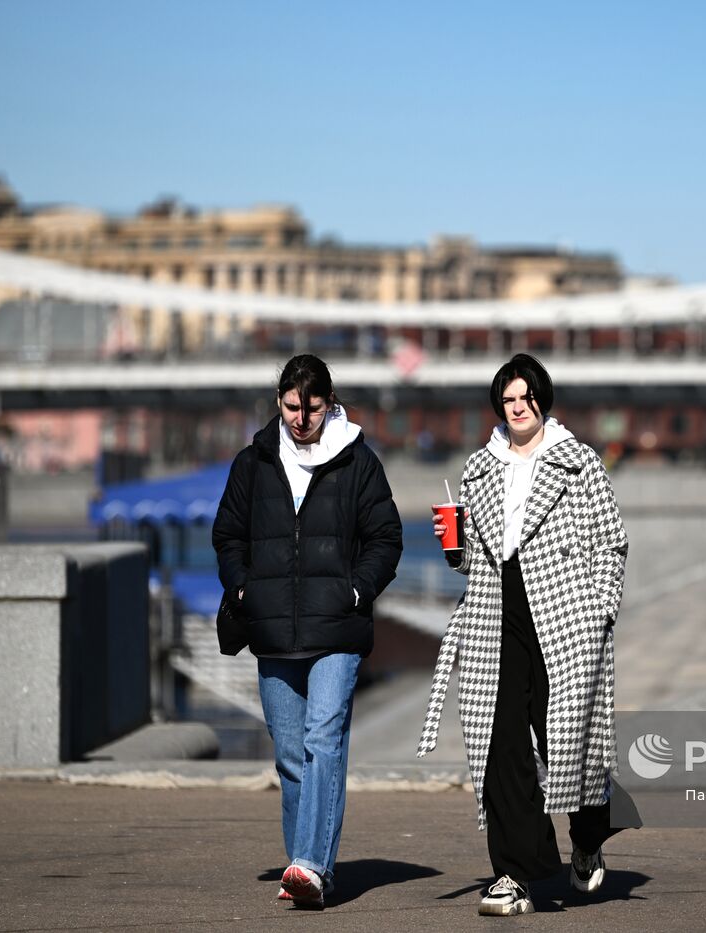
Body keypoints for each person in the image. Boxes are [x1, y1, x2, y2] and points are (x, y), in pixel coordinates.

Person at [417, 354, 631, 917]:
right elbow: (471, 561)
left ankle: (586, 838)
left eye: (525, 398)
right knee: (499, 743)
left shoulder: (579, 462)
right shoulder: (478, 468)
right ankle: (514, 874)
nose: (517, 409)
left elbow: (610, 542)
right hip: (497, 614)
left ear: (543, 400)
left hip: (564, 615)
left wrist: (599, 611)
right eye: (508, 400)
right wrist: (454, 550)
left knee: (571, 744)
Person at [212, 354, 403, 909]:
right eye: (293, 407)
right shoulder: (253, 463)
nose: (302, 419)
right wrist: (244, 587)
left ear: (330, 403)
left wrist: (356, 591)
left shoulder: (357, 461)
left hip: (337, 628)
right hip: (272, 629)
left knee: (324, 740)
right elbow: (228, 535)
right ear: (279, 402)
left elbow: (386, 538)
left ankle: (310, 866)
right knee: (291, 755)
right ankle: (308, 867)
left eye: (313, 408)